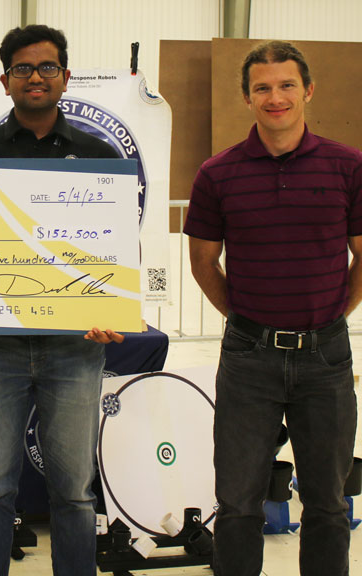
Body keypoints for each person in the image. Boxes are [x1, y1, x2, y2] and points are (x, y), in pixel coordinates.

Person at [0, 24, 124, 576]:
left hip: (74, 348)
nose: (35, 77)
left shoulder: (101, 157)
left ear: (65, 77)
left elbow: (116, 249)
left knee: (74, 491)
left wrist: (112, 310)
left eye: (47, 67)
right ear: (5, 82)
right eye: (22, 69)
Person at [184, 40, 362, 576]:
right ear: (247, 98)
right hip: (248, 359)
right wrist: (245, 322)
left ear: (308, 90)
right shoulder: (217, 174)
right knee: (238, 503)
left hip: (326, 358)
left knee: (328, 502)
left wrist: (334, 315)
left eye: (287, 85)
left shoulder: (348, 166)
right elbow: (201, 263)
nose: (275, 97)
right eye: (262, 87)